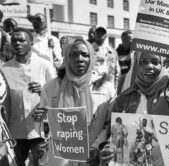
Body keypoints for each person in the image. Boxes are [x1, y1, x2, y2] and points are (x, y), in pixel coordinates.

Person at [35, 38, 115, 166]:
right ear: (67, 58)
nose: (79, 58)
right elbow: (44, 126)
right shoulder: (51, 87)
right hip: (61, 158)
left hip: (91, 158)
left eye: (85, 54)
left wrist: (95, 147)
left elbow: (109, 125)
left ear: (92, 58)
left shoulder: (106, 88)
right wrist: (43, 122)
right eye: (74, 54)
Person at [1, 27, 56, 166]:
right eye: (14, 40)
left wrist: (43, 91)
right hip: (14, 132)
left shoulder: (44, 65)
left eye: (21, 40)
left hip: (40, 131)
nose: (17, 43)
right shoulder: (4, 69)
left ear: (31, 43)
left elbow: (57, 96)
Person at [92, 25, 120, 90]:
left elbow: (117, 72)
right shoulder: (88, 49)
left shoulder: (112, 51)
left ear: (106, 35)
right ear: (94, 34)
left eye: (102, 33)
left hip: (109, 87)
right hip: (93, 86)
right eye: (98, 32)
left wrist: (115, 88)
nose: (100, 34)